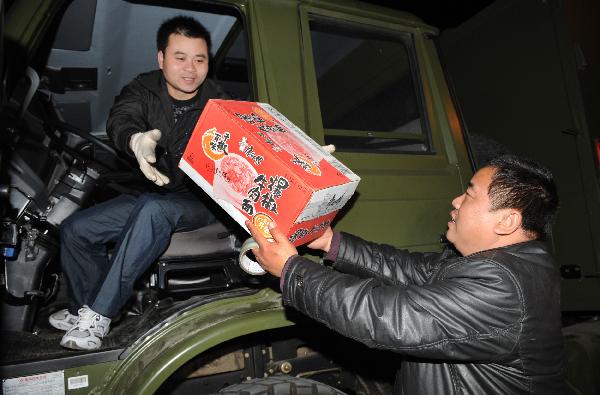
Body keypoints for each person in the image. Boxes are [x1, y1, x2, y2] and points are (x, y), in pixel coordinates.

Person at [246, 155, 565, 394]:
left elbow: (386, 315)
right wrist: (332, 243)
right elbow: (412, 270)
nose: (455, 201)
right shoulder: (502, 265)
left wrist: (292, 270)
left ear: (506, 222)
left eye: (469, 194)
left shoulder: (504, 284)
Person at [48, 16, 229, 350]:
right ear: (161, 59)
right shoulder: (143, 89)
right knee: (76, 228)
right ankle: (81, 309)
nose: (190, 68)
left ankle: (100, 314)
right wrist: (134, 140)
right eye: (180, 57)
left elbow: (255, 144)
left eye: (199, 59)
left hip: (202, 201)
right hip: (157, 190)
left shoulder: (221, 103)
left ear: (208, 63)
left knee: (153, 208)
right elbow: (122, 117)